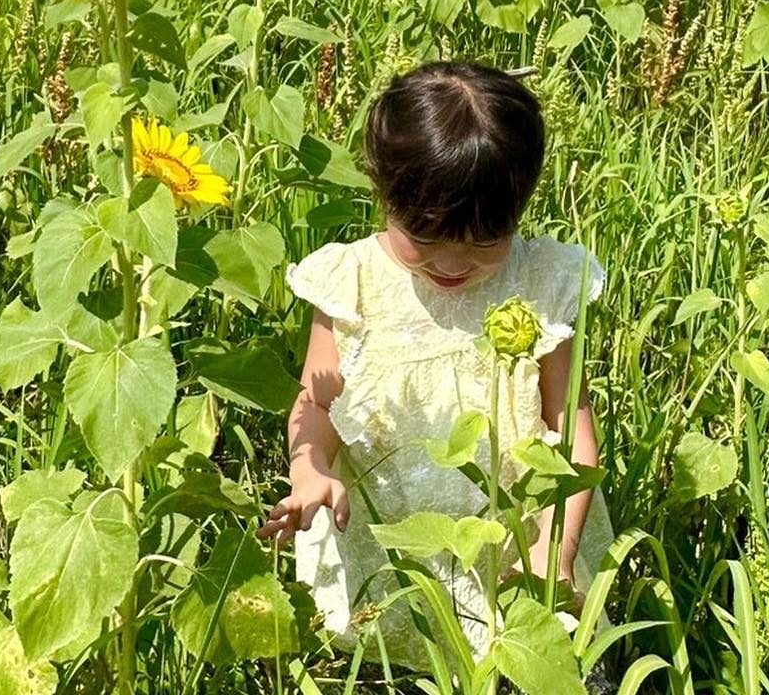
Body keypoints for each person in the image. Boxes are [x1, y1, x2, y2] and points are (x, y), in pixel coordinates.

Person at [259, 59, 612, 674]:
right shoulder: (354, 283)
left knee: (542, 664)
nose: (453, 262)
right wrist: (308, 470)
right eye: (425, 236)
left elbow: (572, 433)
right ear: (384, 194)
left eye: (483, 242)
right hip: (386, 538)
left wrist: (557, 551)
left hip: (520, 545)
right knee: (387, 664)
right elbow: (318, 401)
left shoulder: (542, 284)